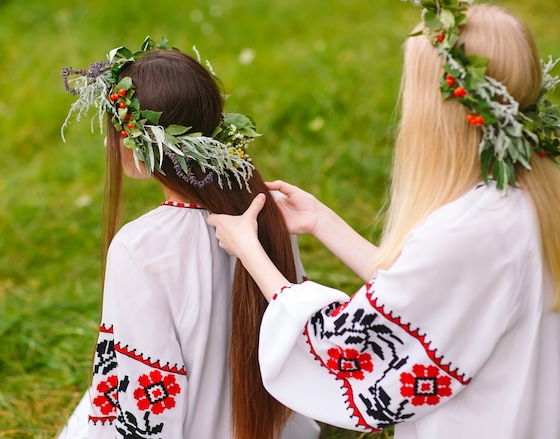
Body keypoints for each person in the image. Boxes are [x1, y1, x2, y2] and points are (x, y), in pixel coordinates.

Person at [207, 2, 560, 438]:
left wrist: (251, 252)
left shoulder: (466, 233)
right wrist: (323, 222)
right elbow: (429, 295)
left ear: (439, 110)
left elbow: (349, 351)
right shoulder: (525, 198)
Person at [56, 38, 320, 439]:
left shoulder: (138, 247)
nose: (110, 143)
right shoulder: (265, 208)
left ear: (144, 146)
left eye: (117, 133)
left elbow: (145, 388)